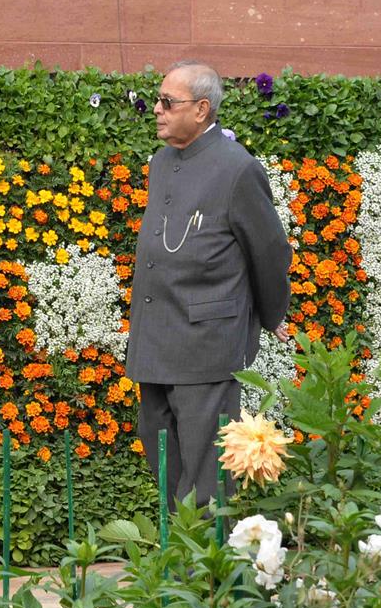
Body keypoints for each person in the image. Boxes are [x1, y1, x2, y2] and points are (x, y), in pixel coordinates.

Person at [125, 61, 292, 511]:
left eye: (167, 102)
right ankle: (176, 551)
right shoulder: (162, 161)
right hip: (155, 336)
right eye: (158, 99)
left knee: (205, 473)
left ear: (201, 110)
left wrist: (271, 314)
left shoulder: (238, 169)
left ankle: (204, 570)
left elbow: (271, 251)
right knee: (162, 456)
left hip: (206, 341)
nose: (156, 109)